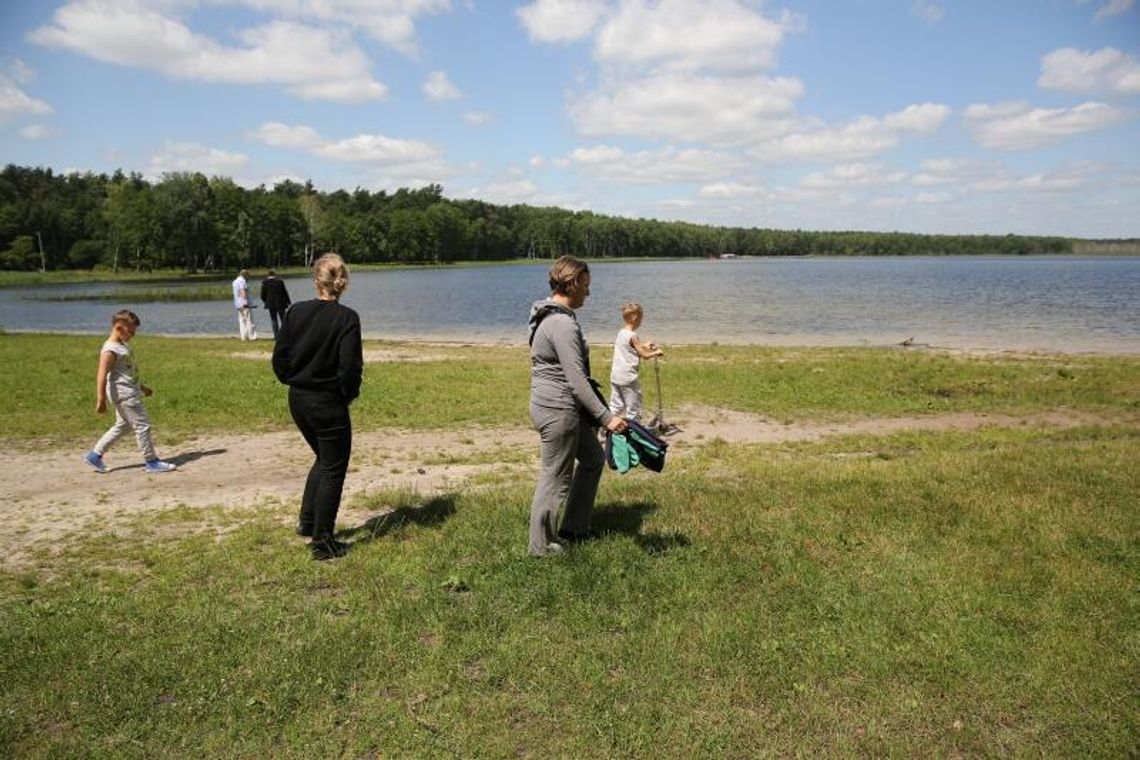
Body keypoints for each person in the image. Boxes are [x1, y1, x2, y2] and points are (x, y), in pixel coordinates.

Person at [527, 255, 627, 557]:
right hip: (558, 410)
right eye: (585, 285)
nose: (589, 292)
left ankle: (574, 527)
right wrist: (606, 418)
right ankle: (541, 547)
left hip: (563, 407)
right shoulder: (560, 323)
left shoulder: (555, 317)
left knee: (594, 459)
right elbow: (576, 380)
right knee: (555, 476)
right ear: (572, 283)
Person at [272, 253, 363, 561]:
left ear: (317, 281)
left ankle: (308, 522)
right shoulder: (347, 318)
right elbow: (350, 368)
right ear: (343, 283)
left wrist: (294, 380)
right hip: (327, 403)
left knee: (324, 459)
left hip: (298, 400)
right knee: (333, 468)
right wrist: (345, 395)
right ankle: (322, 543)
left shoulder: (295, 312)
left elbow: (279, 359)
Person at [83, 309, 178, 475]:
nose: (133, 335)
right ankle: (151, 461)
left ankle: (94, 455)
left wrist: (142, 388)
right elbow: (101, 375)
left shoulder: (121, 345)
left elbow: (128, 371)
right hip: (124, 394)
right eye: (131, 331)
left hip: (130, 390)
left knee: (123, 426)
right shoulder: (110, 350)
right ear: (119, 328)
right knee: (143, 425)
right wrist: (101, 400)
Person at [608, 302, 664, 421]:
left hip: (616, 375)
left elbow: (630, 348)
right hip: (628, 377)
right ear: (635, 318)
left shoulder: (621, 333)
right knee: (634, 406)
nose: (641, 322)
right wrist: (656, 352)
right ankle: (634, 432)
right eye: (641, 319)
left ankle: (605, 426)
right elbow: (644, 355)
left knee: (616, 405)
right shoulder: (633, 336)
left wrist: (644, 345)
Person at [260, 269, 292, 339]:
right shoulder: (280, 281)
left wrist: (266, 301)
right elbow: (284, 292)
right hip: (281, 303)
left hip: (270, 304)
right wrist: (288, 301)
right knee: (283, 319)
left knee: (273, 319)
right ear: (275, 274)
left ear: (268, 275)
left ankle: (276, 336)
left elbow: (263, 294)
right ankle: (285, 335)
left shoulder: (265, 282)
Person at [232, 268, 257, 341]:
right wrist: (246, 303)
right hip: (244, 304)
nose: (248, 278)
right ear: (245, 275)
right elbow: (243, 291)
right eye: (248, 276)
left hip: (238, 304)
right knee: (249, 320)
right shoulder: (242, 281)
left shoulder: (234, 281)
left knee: (241, 321)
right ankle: (252, 337)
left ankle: (244, 337)